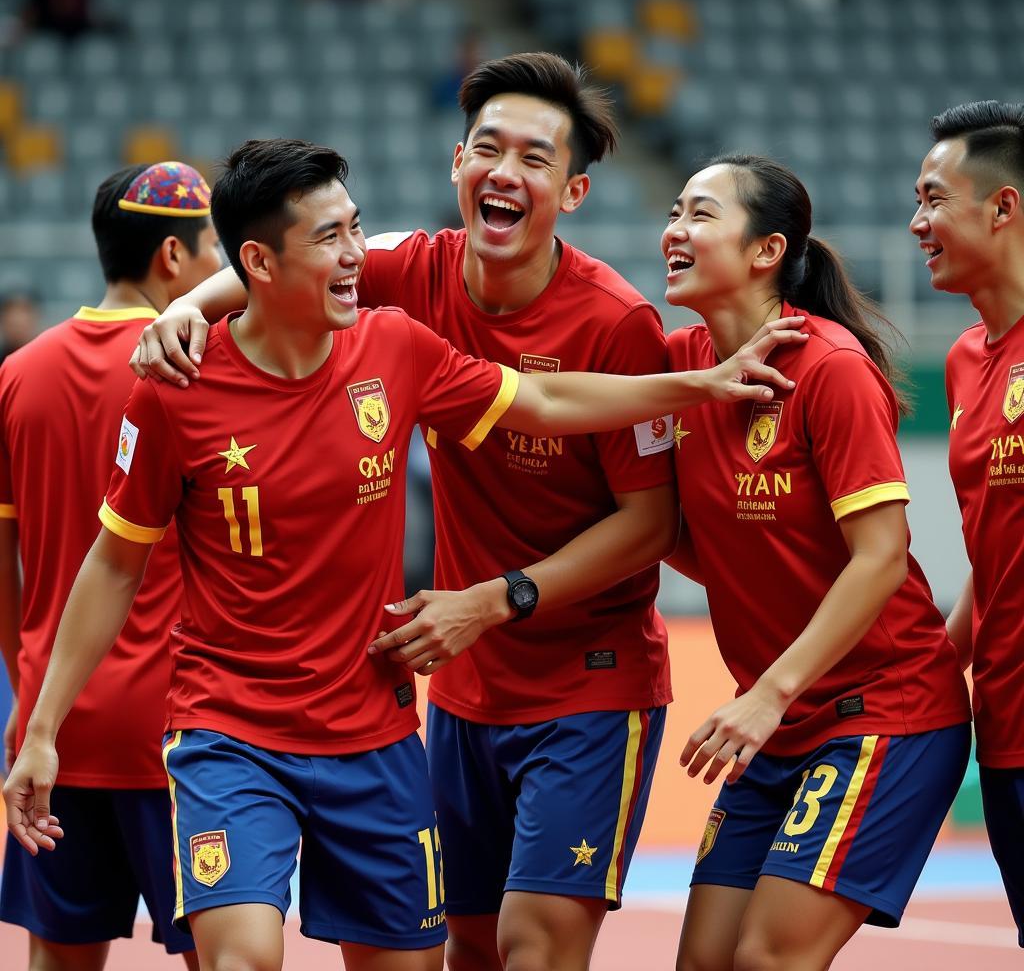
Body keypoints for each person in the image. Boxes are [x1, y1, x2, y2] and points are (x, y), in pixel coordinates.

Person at [5, 137, 801, 971]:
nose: (357, 256)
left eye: (357, 229)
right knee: (239, 958)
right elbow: (113, 563)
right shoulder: (178, 392)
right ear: (257, 264)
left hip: (373, 737)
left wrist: (700, 384)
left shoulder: (395, 347)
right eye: (329, 239)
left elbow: (544, 397)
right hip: (227, 731)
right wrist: (42, 729)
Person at [657, 155, 972, 971]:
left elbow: (880, 557)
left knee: (767, 958)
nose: (673, 232)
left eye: (698, 214)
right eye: (672, 212)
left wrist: (767, 692)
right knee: (704, 963)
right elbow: (699, 544)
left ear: (765, 251)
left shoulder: (829, 368)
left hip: (881, 714)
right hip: (778, 725)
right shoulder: (682, 367)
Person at [0, 160, 222, 971]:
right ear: (172, 256)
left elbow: (8, 570)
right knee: (219, 956)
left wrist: (36, 687)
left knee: (58, 962)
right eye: (213, 250)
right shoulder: (203, 371)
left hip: (53, 735)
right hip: (183, 733)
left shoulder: (16, 377)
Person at [911, 100, 1024, 948]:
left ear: (1003, 207)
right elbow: (995, 546)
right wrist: (933, 667)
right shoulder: (963, 360)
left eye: (933, 198)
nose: (917, 223)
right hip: (1006, 728)